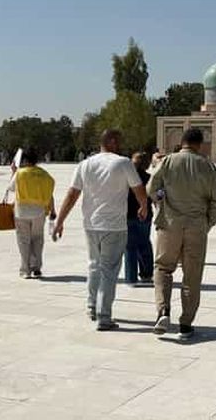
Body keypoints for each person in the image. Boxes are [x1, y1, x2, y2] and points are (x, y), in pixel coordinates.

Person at [53, 130, 148, 331]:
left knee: (94, 266)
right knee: (109, 270)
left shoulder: (85, 164)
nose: (121, 145)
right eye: (119, 141)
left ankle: (91, 307)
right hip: (114, 226)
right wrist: (144, 206)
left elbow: (72, 194)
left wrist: (60, 221)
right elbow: (138, 187)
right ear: (112, 141)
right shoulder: (123, 163)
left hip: (91, 224)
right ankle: (104, 316)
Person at [148, 128, 216, 340]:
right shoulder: (207, 166)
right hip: (196, 226)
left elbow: (152, 189)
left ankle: (163, 311)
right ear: (199, 144)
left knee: (163, 268)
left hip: (170, 224)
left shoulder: (168, 162)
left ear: (182, 142)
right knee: (192, 275)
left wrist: (162, 200)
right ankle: (186, 324)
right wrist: (207, 223)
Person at [8, 148, 56, 278]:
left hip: (22, 211)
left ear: (24, 160)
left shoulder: (20, 173)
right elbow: (50, 193)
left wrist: (14, 172)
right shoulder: (45, 175)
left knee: (23, 240)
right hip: (39, 211)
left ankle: (25, 270)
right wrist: (53, 210)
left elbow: (11, 188)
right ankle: (37, 266)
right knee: (38, 239)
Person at [124, 152, 154, 284]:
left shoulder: (126, 179)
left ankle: (131, 277)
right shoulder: (150, 178)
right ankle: (147, 274)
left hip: (128, 215)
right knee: (145, 243)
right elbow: (160, 193)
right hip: (145, 215)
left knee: (130, 247)